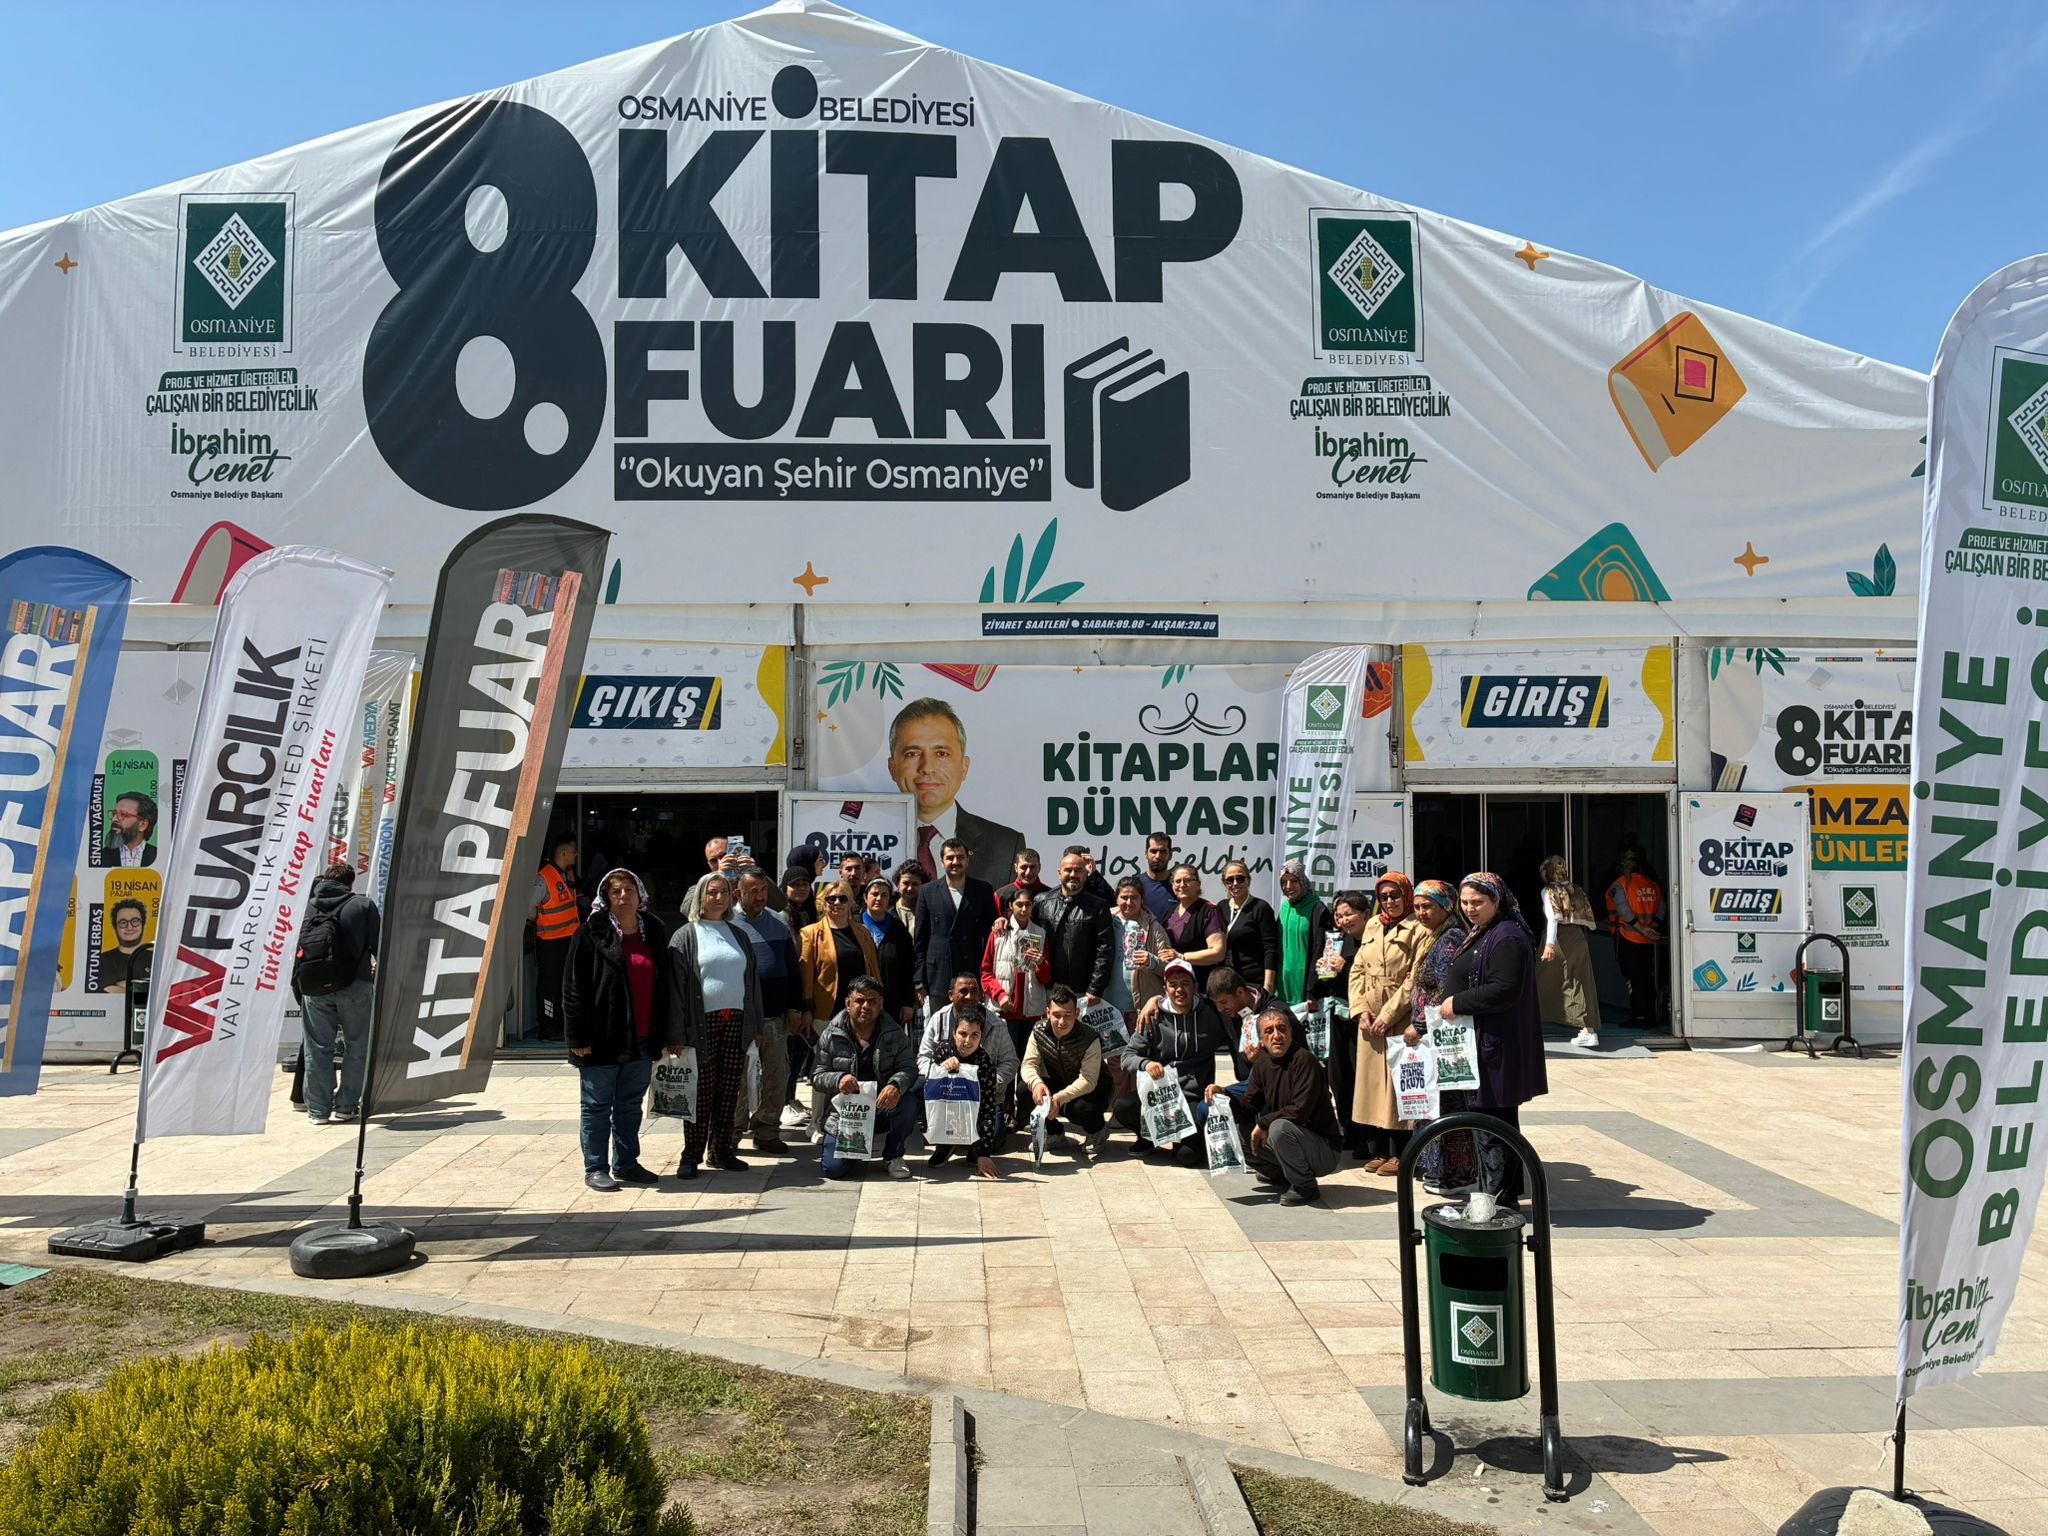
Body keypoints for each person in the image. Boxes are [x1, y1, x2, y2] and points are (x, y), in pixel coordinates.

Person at [1437, 872, 1549, 1210]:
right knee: (1494, 1124)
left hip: (1496, 1047)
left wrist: (1457, 1002)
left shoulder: (1507, 936)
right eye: (1465, 902)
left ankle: (1496, 1200)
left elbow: (1505, 989)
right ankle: (1502, 1197)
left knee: (1492, 1126)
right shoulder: (1486, 931)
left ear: (1496, 901)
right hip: (1483, 1043)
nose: (1470, 908)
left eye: (1478, 902)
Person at [564, 869, 678, 1191]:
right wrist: (578, 1037)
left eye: (629, 889)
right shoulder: (590, 932)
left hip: (642, 1037)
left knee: (629, 1104)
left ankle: (626, 1163)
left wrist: (668, 1033)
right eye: (616, 891)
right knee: (597, 1105)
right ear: (606, 898)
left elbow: (665, 984)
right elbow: (573, 988)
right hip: (602, 1037)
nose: (624, 896)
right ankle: (596, 1167)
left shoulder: (653, 930)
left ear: (641, 895)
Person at [669, 872, 766, 1178]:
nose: (718, 897)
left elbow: (752, 983)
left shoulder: (738, 935)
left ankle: (721, 1151)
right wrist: (675, 1033)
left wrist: (756, 1026)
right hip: (700, 1025)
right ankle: (691, 1156)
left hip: (736, 1022)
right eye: (712, 892)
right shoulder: (686, 936)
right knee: (701, 1092)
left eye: (724, 892)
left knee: (729, 1091)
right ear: (700, 896)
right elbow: (674, 990)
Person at [1211, 1006, 1344, 1206]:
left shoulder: (1304, 1061)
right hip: (1292, 1141)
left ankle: (1305, 1186)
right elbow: (1248, 1107)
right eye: (1269, 1031)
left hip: (1324, 1150)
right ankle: (1283, 1174)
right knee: (1238, 1132)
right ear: (1261, 1040)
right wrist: (1224, 1095)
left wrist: (1264, 1123)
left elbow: (1300, 1111)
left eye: (1281, 1029)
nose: (1276, 1036)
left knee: (1278, 1128)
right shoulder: (1262, 1065)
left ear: (1290, 1033)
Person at [887, 697, 1024, 886]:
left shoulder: (1006, 846)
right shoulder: (866, 838)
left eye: (941, 754)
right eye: (912, 754)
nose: (927, 768)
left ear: (964, 767)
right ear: (892, 767)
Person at [1349, 873, 1429, 1175]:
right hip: (1369, 1016)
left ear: (1406, 895)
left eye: (1395, 895)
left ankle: (1401, 1152)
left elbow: (1414, 979)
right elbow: (1357, 968)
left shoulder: (1419, 927)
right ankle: (1379, 1148)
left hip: (1398, 1015)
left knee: (1398, 1086)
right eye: (1384, 897)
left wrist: (1387, 1015)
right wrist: (1360, 1009)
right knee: (1372, 1086)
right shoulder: (1373, 924)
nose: (1390, 901)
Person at [1402, 880, 1477, 1196]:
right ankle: (1438, 1168)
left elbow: (1444, 990)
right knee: (1434, 1102)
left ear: (1446, 906)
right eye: (1417, 907)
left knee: (1446, 1104)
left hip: (1441, 1037)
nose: (1421, 912)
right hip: (1434, 1037)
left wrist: (1419, 1025)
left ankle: (1455, 1174)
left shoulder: (1450, 939)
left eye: (1427, 906)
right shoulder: (1436, 936)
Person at [291, 865, 380, 1126]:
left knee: (317, 1048)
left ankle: (318, 1111)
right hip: (355, 985)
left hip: (314, 986)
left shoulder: (306, 907)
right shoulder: (362, 905)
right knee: (357, 1045)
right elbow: (380, 944)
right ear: (350, 883)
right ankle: (346, 1107)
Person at [1115, 959, 1223, 1164]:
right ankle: (1148, 1136)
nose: (1179, 990)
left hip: (1192, 1095)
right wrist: (1146, 1064)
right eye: (1173, 985)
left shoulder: (1211, 1014)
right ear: (1165, 989)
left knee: (1188, 1157)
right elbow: (1127, 1056)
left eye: (1185, 983)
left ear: (1195, 987)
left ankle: (1181, 1139)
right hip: (1160, 1093)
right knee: (1123, 1107)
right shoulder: (1153, 1016)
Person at [814, 976, 918, 1179]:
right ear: (848, 1003)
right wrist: (838, 1079)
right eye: (860, 1001)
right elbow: (817, 1075)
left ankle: (893, 1155)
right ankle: (856, 1150)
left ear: (881, 1004)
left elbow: (909, 1067)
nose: (866, 1006)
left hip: (882, 1106)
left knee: (909, 1102)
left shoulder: (895, 1032)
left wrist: (896, 1085)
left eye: (872, 1001)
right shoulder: (831, 1034)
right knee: (834, 1170)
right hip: (845, 1112)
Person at [731, 868, 803, 1155]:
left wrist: (794, 1007)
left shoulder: (779, 922)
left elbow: (793, 970)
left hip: (774, 1015)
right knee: (736, 1076)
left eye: (762, 890)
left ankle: (767, 1128)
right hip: (738, 1015)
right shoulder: (727, 922)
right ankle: (732, 1130)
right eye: (753, 892)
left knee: (777, 1072)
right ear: (738, 893)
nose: (760, 897)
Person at [1021, 986, 1114, 1153]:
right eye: (1056, 1015)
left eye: (1067, 1015)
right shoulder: (1038, 1031)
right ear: (1048, 1013)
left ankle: (1097, 1131)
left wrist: (1059, 1098)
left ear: (1077, 1013)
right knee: (1024, 1091)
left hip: (1095, 1089)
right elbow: (1029, 1064)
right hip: (1061, 1081)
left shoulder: (1090, 1037)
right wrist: (1036, 1084)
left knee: (1079, 1109)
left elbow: (1088, 1080)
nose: (1062, 1022)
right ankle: (1054, 1133)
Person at [919, 976, 1020, 1126]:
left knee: (993, 1134)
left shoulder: (997, 1024)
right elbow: (923, 1058)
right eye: (963, 991)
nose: (969, 997)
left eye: (974, 992)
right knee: (917, 1088)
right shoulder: (938, 1019)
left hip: (985, 1096)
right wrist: (940, 1071)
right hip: (946, 1092)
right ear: (951, 995)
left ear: (980, 995)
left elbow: (1010, 1062)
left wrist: (989, 1082)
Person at [924, 1003, 1007, 1179]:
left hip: (973, 1112)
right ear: (954, 1033)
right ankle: (945, 1144)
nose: (968, 1041)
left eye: (974, 1035)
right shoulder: (942, 1051)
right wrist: (942, 1069)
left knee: (995, 1134)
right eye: (963, 1034)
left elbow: (988, 1106)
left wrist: (984, 1153)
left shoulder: (985, 1062)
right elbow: (929, 1090)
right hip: (946, 1110)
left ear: (981, 1037)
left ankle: (975, 1146)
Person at [913, 837, 997, 1008]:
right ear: (942, 861)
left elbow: (990, 938)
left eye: (960, 857)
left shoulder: (983, 890)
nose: (955, 862)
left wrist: (988, 976)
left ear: (968, 861)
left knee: (971, 1023)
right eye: (950, 857)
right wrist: (920, 981)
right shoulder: (927, 892)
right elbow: (920, 940)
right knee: (941, 1024)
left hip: (972, 973)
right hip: (938, 975)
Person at [1032, 850, 1116, 1005]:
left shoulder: (1098, 906)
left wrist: (1095, 988)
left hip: (1082, 990)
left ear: (1085, 874)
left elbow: (1105, 950)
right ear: (1059, 873)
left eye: (1078, 871)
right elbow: (1027, 932)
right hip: (1045, 987)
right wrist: (1004, 921)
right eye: (1068, 870)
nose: (1073, 875)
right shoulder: (1042, 902)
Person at [1323, 890, 1370, 1155]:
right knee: (1339, 1077)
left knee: (1360, 1076)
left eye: (1348, 914)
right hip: (1339, 1015)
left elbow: (1372, 976)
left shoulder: (1373, 940)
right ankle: (1349, 1131)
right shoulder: (1338, 940)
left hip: (1363, 1018)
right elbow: (1330, 978)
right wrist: (1324, 970)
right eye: (1339, 916)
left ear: (1365, 914)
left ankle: (1367, 1138)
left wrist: (1346, 966)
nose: (1343, 920)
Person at [1539, 855, 1603, 1049]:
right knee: (1580, 980)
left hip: (1560, 938)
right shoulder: (1576, 889)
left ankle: (1586, 1030)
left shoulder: (1549, 891)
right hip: (1577, 936)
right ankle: (1588, 1028)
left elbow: (1553, 918)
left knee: (1542, 978)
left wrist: (1550, 944)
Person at [981, 886, 1051, 1058]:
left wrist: (1041, 963)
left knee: (1028, 1061)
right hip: (1005, 1010)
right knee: (1006, 1060)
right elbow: (985, 973)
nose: (1024, 909)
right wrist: (1000, 995)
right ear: (1011, 906)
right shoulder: (998, 934)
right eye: (1019, 904)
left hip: (1032, 1011)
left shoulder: (1041, 934)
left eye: (1028, 904)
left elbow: (1046, 978)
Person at [798, 878, 879, 1023]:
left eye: (843, 899)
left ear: (850, 903)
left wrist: (878, 1000)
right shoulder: (809, 933)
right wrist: (806, 1009)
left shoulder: (863, 932)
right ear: (824, 903)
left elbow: (874, 971)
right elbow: (806, 977)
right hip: (826, 1013)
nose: (837, 903)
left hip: (861, 1012)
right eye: (831, 899)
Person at [1605, 849, 1665, 1027]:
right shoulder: (1652, 885)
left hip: (1627, 938)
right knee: (1647, 978)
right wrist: (1650, 928)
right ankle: (1650, 1016)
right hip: (1647, 940)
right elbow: (1662, 909)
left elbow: (1623, 911)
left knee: (1633, 979)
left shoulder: (1619, 885)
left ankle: (1638, 1017)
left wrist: (1641, 930)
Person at [529, 837, 580, 1040]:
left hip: (568, 939)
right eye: (573, 851)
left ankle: (560, 1024)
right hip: (549, 941)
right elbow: (530, 906)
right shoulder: (544, 877)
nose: (576, 854)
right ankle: (547, 1027)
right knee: (549, 986)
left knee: (563, 985)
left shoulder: (568, 874)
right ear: (563, 853)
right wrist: (536, 920)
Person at [1276, 859, 1340, 1008]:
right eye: (1284, 882)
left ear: (1302, 881)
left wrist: (1312, 991)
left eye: (1293, 881)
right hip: (1282, 988)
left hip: (1306, 989)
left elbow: (1320, 950)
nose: (1288, 886)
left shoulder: (1318, 909)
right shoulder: (1284, 908)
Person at [1105, 877, 1170, 1015]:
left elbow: (1169, 968)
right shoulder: (1104, 920)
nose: (1129, 902)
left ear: (1142, 900)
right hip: (1106, 1008)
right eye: (1124, 897)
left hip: (1140, 1009)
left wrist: (1152, 961)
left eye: (1134, 897)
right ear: (1116, 899)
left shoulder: (1154, 927)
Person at [860, 876, 920, 1025]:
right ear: (865, 898)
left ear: (889, 900)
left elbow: (908, 968)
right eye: (874, 894)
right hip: (860, 1002)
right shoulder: (854, 925)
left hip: (892, 1003)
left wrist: (907, 1003)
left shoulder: (899, 930)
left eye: (884, 895)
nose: (879, 898)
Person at [1159, 865, 1226, 991]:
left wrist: (1182, 957)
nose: (1182, 885)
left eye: (1187, 880)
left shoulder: (1209, 911)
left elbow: (1218, 952)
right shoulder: (1169, 913)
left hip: (1203, 987)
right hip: (1175, 989)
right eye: (1177, 881)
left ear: (1198, 884)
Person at [1219, 860, 1281, 994]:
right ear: (1224, 884)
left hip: (1253, 982)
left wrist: (1268, 985)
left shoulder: (1261, 908)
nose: (1235, 883)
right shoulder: (1221, 907)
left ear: (1249, 880)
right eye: (1230, 880)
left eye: (1240, 878)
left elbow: (1270, 949)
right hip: (1227, 982)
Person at [99, 898, 154, 994]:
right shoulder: (103, 960)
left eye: (135, 921)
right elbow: (108, 989)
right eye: (123, 922)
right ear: (115, 927)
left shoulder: (155, 959)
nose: (129, 927)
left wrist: (122, 985)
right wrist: (143, 989)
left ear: (143, 925)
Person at [102, 791, 158, 868]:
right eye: (114, 813)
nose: (114, 819)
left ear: (143, 825)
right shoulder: (101, 857)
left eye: (123, 814)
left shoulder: (158, 856)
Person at [993, 849, 1047, 915]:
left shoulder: (1051, 896)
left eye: (1032, 867)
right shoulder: (1001, 896)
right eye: (1024, 867)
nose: (1028, 873)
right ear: (1016, 868)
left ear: (1039, 868)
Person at [1137, 833, 1176, 920]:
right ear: (1146, 854)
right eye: (1153, 851)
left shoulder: (1180, 885)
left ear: (1170, 855)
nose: (1158, 856)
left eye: (1162, 851)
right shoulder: (1135, 884)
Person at [782, 863, 819, 931]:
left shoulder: (814, 912)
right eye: (795, 885)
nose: (801, 888)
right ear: (785, 890)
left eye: (805, 884)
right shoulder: (782, 916)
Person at [894, 861, 927, 939]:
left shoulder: (928, 912)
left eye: (915, 884)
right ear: (898, 884)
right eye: (906, 883)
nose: (910, 888)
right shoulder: (888, 911)